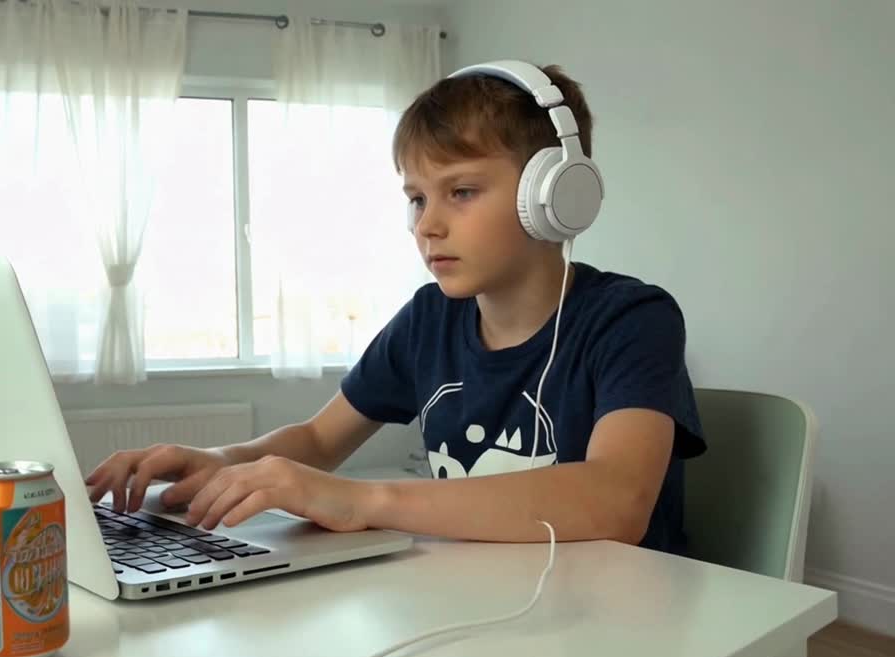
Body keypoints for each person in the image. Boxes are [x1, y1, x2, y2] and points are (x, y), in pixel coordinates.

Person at [86, 61, 706, 555]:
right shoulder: (428, 319)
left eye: (460, 192)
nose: (427, 225)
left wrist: (362, 501)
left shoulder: (631, 319)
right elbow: (318, 440)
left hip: (620, 634)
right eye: (416, 198)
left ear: (553, 196)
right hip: (486, 615)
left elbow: (617, 501)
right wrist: (220, 462)